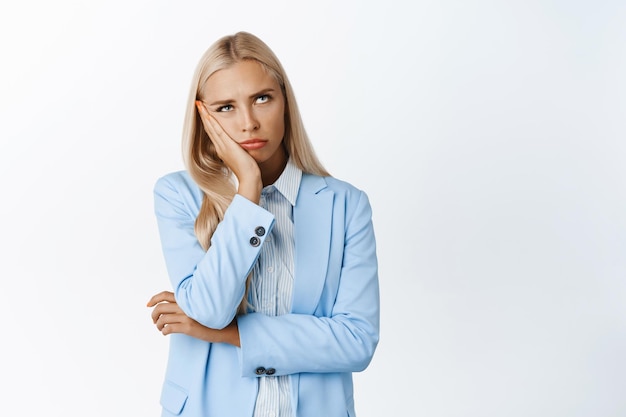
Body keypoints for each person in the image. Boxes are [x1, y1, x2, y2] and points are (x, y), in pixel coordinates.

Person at [146, 31, 379, 417]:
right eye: (225, 107)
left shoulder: (346, 205)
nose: (248, 123)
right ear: (204, 116)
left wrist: (224, 335)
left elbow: (356, 341)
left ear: (285, 101)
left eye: (262, 99)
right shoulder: (177, 195)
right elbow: (210, 308)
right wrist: (248, 189)